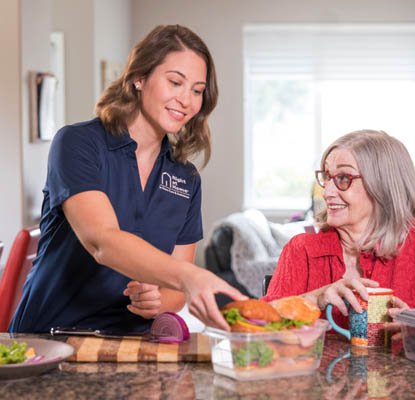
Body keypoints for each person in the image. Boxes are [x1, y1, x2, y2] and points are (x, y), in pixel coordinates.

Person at [9, 25, 246, 333]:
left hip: (129, 346)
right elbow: (102, 242)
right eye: (175, 82)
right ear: (139, 77)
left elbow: (175, 289)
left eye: (197, 90)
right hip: (51, 339)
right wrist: (190, 278)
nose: (186, 100)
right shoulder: (78, 144)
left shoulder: (185, 179)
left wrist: (158, 301)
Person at [261, 130, 415, 329]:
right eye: (327, 177)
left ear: (382, 186)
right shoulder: (302, 249)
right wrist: (315, 298)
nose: (327, 192)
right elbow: (256, 327)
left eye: (343, 178)